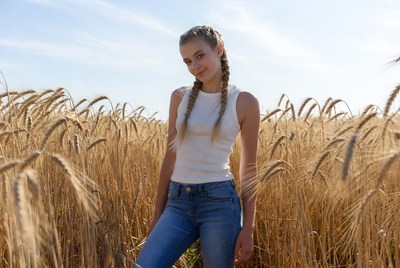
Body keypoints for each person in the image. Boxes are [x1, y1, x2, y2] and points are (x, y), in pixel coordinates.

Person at [134, 25, 260, 268]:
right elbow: (170, 157)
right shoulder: (179, 97)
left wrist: (248, 227)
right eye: (187, 61)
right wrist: (157, 214)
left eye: (200, 56)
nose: (194, 66)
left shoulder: (244, 102)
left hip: (219, 203)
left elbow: (249, 169)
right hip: (178, 202)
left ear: (219, 50)